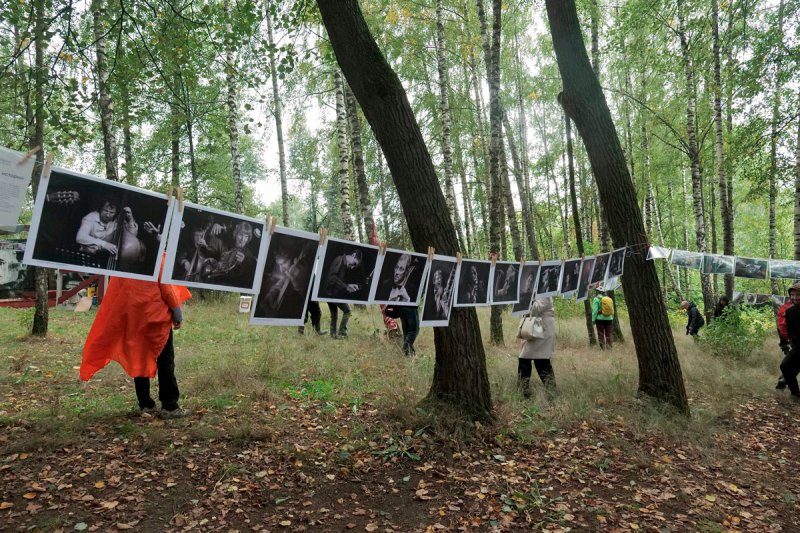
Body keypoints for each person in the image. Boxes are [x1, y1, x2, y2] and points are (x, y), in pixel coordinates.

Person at [80, 258, 192, 419]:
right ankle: (169, 406)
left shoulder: (126, 258)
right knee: (165, 360)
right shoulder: (158, 257)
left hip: (134, 318)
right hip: (156, 318)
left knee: (139, 356)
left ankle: (146, 404)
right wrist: (177, 312)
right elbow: (167, 288)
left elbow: (118, 290)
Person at [518, 297, 556, 398]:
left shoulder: (545, 294)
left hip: (542, 330)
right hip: (533, 329)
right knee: (526, 360)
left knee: (541, 361)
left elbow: (535, 309)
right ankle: (523, 391)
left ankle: (551, 391)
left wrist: (528, 296)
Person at [780, 282, 800, 399]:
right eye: (792, 295)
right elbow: (790, 330)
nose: (795, 297)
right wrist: (788, 343)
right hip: (797, 347)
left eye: (798, 295)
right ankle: (795, 393)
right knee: (785, 366)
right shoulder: (789, 311)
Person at [776, 295, 792, 390]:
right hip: (792, 341)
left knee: (791, 363)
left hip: (786, 341)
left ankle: (784, 379)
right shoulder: (788, 308)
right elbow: (781, 326)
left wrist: (783, 344)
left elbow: (779, 327)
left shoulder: (784, 307)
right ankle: (784, 380)